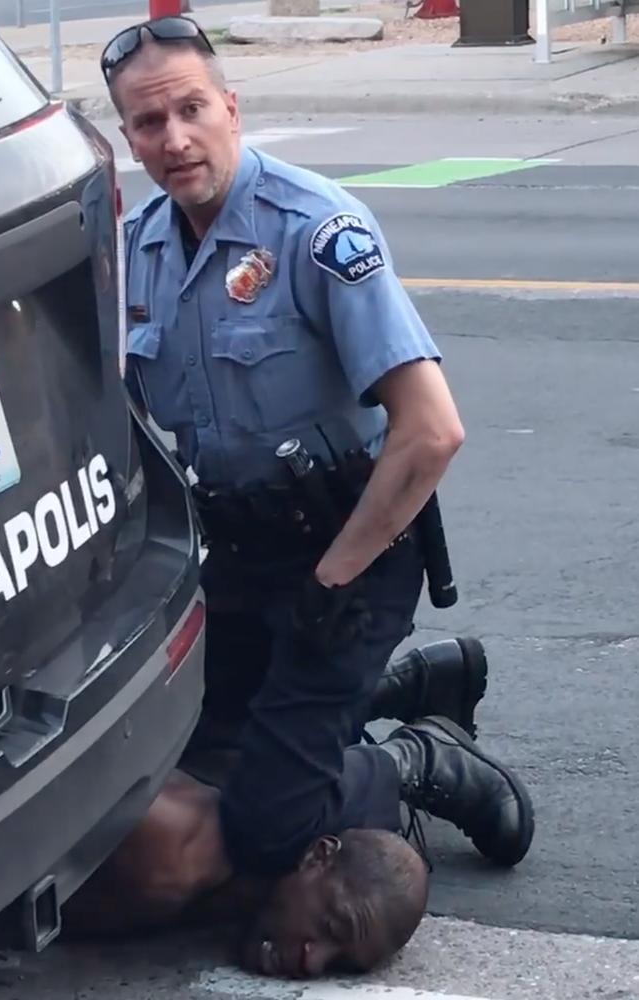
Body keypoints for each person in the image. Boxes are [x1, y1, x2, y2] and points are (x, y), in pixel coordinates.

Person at [100, 15, 534, 886]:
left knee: (266, 825)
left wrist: (334, 578)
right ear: (128, 136)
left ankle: (421, 756)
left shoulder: (316, 229)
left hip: (349, 555)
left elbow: (432, 430)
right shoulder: (139, 249)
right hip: (236, 554)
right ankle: (402, 687)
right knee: (186, 755)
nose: (175, 138)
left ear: (231, 107)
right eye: (149, 123)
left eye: (192, 109)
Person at [63, 707, 531, 980]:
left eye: (338, 965)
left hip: (225, 745)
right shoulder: (169, 857)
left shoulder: (264, 898)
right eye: (330, 926)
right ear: (316, 856)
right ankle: (411, 758)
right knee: (288, 811)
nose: (313, 961)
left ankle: (386, 694)